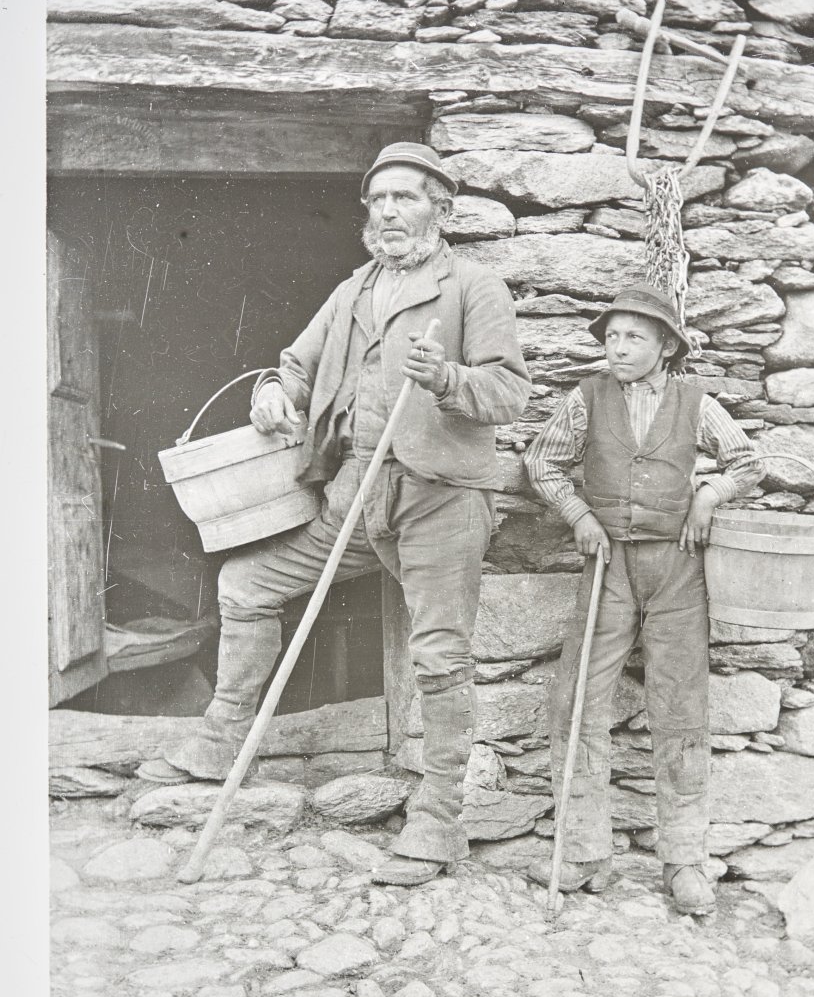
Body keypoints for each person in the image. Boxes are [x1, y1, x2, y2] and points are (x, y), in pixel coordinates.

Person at [139, 142, 531, 887]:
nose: (386, 211)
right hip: (355, 499)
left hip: (439, 499)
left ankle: (437, 818)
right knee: (248, 585)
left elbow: (511, 394)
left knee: (440, 654)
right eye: (376, 200)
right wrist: (273, 393)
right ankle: (222, 740)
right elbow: (296, 363)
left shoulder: (473, 287)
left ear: (440, 211)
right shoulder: (355, 290)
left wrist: (445, 379)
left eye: (404, 198)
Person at [523, 284, 764, 914]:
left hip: (677, 570)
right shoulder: (589, 398)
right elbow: (541, 461)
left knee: (680, 707)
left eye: (633, 337)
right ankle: (582, 853)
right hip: (608, 566)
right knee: (575, 700)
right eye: (610, 337)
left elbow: (746, 459)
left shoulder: (695, 399)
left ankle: (684, 861)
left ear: (666, 347)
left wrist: (709, 494)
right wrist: (577, 514)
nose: (618, 348)